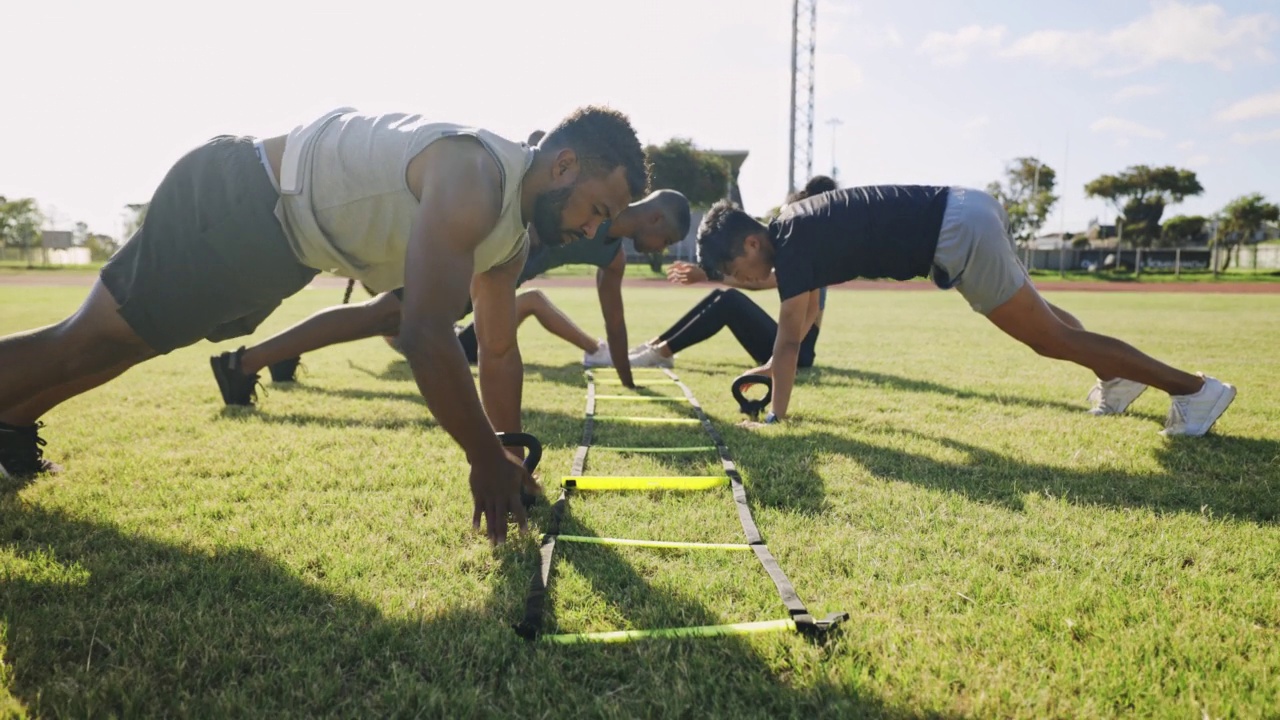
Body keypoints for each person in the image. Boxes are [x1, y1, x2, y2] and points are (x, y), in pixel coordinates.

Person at [0, 106, 648, 543]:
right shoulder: (477, 174)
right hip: (247, 201)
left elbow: (500, 352)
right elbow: (424, 335)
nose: (593, 229)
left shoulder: (509, 240)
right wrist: (482, 458)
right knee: (96, 339)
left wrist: (507, 450)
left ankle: (11, 422)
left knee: (129, 344)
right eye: (597, 208)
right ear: (563, 165)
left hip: (279, 242)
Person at [695, 185, 1236, 436]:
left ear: (748, 246)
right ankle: (1115, 379)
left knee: (1048, 338)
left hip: (957, 233)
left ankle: (1194, 390)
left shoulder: (792, 247)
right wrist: (772, 368)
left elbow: (791, 339)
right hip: (966, 209)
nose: (746, 284)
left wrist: (775, 417)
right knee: (1045, 317)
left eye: (736, 275)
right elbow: (804, 319)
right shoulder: (792, 230)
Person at [220, 184, 690, 397]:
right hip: (470, 262)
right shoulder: (589, 195)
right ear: (653, 220)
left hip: (490, 282)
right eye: (666, 240)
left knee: (383, 314)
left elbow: (616, 322)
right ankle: (243, 363)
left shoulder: (613, 257)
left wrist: (628, 381)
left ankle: (264, 358)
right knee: (384, 315)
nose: (662, 249)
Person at [629, 176, 837, 370]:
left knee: (729, 301)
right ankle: (656, 346)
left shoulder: (811, 249)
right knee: (720, 296)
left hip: (799, 350)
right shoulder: (800, 244)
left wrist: (707, 275)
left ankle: (661, 353)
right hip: (790, 341)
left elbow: (762, 281)